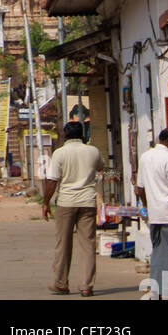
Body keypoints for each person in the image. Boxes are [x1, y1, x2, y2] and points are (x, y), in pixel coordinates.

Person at [42, 120, 104, 296]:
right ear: (82, 135)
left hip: (66, 203)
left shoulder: (59, 153)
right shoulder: (93, 151)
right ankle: (86, 285)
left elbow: (52, 181)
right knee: (88, 244)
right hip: (87, 202)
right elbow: (101, 167)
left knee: (63, 244)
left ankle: (61, 283)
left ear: (65, 135)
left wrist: (46, 202)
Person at [135, 127, 168, 298]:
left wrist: (148, 207)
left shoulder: (146, 156)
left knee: (159, 251)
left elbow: (140, 188)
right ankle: (164, 290)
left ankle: (157, 287)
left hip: (155, 215)